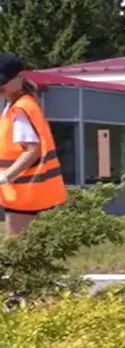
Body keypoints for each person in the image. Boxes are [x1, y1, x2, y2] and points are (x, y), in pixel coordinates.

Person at [0, 54, 67, 238]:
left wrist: (6, 176)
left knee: (15, 250)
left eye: (3, 81)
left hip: (25, 192)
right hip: (25, 190)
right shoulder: (16, 105)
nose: (1, 86)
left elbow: (32, 150)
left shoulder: (20, 109)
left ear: (20, 77)